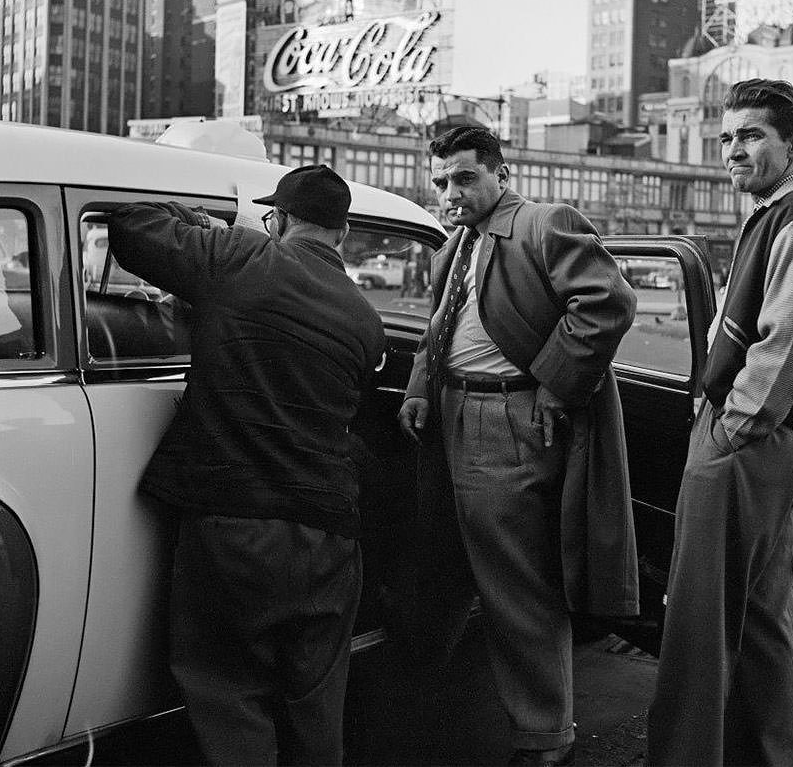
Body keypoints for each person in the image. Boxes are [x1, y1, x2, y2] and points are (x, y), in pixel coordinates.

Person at [108, 165, 385, 766]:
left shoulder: (242, 258)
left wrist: (205, 225)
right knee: (316, 703)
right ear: (343, 233)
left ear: (279, 219)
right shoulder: (366, 319)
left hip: (234, 526)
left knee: (228, 691)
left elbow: (133, 227)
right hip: (331, 536)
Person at [397, 126, 638, 767]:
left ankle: (543, 735)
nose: (450, 192)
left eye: (464, 178)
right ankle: (429, 707)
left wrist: (554, 388)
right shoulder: (457, 244)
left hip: (505, 417)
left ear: (501, 175)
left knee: (515, 583)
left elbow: (607, 301)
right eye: (442, 180)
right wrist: (422, 387)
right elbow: (437, 326)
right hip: (453, 412)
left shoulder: (541, 222)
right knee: (449, 569)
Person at [646, 79, 793, 767]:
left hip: (756, 434)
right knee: (761, 621)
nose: (733, 150)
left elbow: (786, 341)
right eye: (727, 137)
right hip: (773, 435)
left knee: (698, 626)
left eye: (751, 135)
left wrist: (728, 430)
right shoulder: (777, 210)